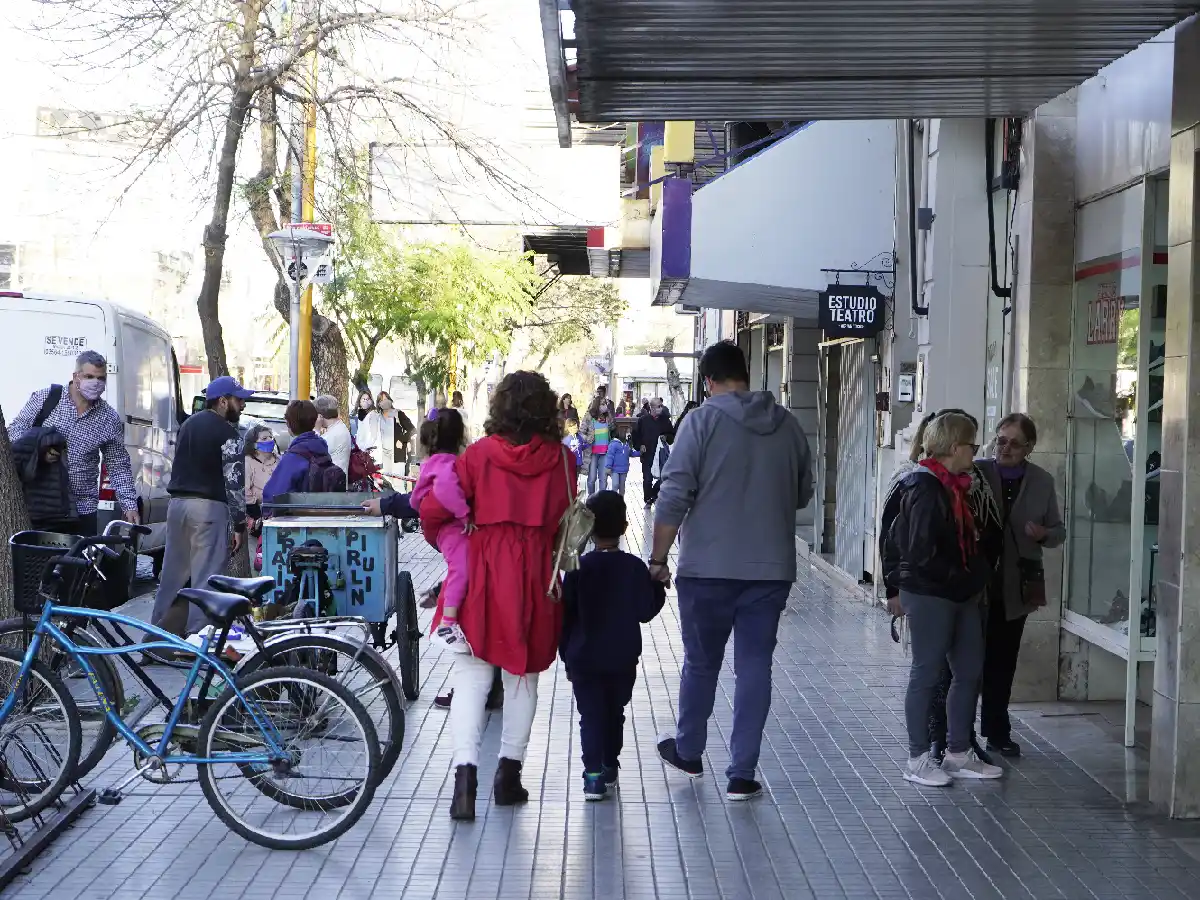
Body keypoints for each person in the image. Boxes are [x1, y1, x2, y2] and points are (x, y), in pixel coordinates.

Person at [650, 341, 813, 801]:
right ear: (747, 373)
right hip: (771, 569)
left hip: (707, 569)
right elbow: (802, 494)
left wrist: (658, 560)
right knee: (755, 667)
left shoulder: (699, 422)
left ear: (708, 381)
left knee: (702, 663)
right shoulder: (788, 425)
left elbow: (673, 495)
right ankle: (742, 773)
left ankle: (689, 750)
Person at [446, 370, 574, 822]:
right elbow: (564, 518)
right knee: (523, 675)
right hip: (538, 573)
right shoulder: (561, 460)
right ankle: (508, 775)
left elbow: (442, 506)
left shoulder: (478, 456)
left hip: (484, 568)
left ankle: (464, 781)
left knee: (472, 675)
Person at [881, 411, 1002, 786]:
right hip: (932, 593)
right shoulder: (924, 485)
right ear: (954, 447)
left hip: (960, 591)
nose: (976, 451)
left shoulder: (957, 484)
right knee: (928, 673)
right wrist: (966, 576)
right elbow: (917, 551)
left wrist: (973, 575)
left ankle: (958, 751)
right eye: (972, 444)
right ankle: (918, 758)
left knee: (968, 671)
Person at [560, 491, 666, 800]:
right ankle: (609, 765)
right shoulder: (633, 568)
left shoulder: (578, 569)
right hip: (621, 657)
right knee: (614, 712)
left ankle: (592, 775)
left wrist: (566, 653)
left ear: (588, 529)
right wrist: (657, 584)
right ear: (625, 526)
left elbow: (566, 614)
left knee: (590, 714)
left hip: (584, 658)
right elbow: (646, 611)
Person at [975, 413, 1065, 758]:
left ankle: (997, 731)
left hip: (1017, 585)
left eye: (1014, 443)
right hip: (976, 584)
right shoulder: (979, 472)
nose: (1005, 447)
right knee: (970, 662)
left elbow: (1059, 531)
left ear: (1030, 447)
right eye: (1001, 439)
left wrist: (1044, 535)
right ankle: (959, 734)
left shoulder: (1041, 481)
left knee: (1003, 661)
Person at [151, 375, 250, 637]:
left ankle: (156, 639)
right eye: (239, 401)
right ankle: (197, 640)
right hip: (208, 510)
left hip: (177, 507)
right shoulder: (229, 433)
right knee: (206, 579)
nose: (242, 406)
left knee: (171, 577)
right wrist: (239, 523)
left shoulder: (188, 425)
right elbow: (234, 482)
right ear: (222, 401)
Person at [8, 349, 140, 535]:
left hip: (82, 510)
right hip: (40, 505)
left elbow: (118, 464)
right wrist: (39, 450)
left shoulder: (108, 418)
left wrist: (129, 505)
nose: (96, 383)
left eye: (101, 379)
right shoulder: (46, 399)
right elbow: (14, 432)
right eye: (89, 376)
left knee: (78, 563)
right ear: (75, 376)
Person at [410, 408, 471, 653]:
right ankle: (447, 624)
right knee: (463, 566)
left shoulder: (431, 462)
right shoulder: (448, 463)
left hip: (439, 527)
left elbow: (415, 500)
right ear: (459, 437)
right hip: (450, 526)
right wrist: (464, 513)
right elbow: (446, 490)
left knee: (465, 564)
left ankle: (439, 591)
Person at [262, 400, 347, 503]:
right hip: (324, 515)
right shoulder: (321, 448)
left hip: (299, 516)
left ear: (289, 423)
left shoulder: (293, 458)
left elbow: (273, 496)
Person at [10, 427, 74, 531]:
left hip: (50, 516)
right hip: (32, 512)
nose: (54, 458)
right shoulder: (22, 448)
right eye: (52, 454)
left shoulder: (57, 447)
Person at [632, 396, 675, 507]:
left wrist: (666, 437)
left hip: (661, 455)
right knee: (647, 478)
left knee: (663, 478)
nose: (661, 408)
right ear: (652, 408)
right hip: (648, 454)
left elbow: (672, 435)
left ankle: (654, 495)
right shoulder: (643, 420)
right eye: (658, 406)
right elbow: (635, 436)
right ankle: (648, 499)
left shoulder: (665, 420)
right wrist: (639, 446)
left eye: (661, 406)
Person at [359, 390, 413, 472]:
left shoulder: (398, 414)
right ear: (378, 404)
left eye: (386, 399)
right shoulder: (378, 417)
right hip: (384, 455)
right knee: (387, 481)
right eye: (381, 400)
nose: (384, 402)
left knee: (398, 480)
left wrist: (403, 441)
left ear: (390, 400)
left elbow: (412, 430)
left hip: (397, 453)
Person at [579, 396, 613, 495]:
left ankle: (601, 502)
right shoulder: (589, 416)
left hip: (605, 452)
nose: (605, 406)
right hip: (592, 452)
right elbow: (581, 432)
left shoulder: (607, 417)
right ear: (597, 405)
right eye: (602, 404)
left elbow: (612, 428)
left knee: (603, 479)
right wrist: (587, 438)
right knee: (591, 478)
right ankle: (591, 499)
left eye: (605, 404)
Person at [314, 395, 352, 476]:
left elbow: (313, 451)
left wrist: (316, 430)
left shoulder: (333, 434)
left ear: (320, 416)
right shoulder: (339, 427)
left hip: (331, 483)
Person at [603, 424, 638, 497]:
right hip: (614, 469)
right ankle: (613, 501)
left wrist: (640, 453)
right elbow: (610, 456)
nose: (628, 434)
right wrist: (608, 466)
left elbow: (631, 453)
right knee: (615, 485)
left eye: (628, 432)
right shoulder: (614, 444)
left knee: (622, 488)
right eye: (626, 432)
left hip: (624, 469)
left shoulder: (627, 445)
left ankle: (620, 502)